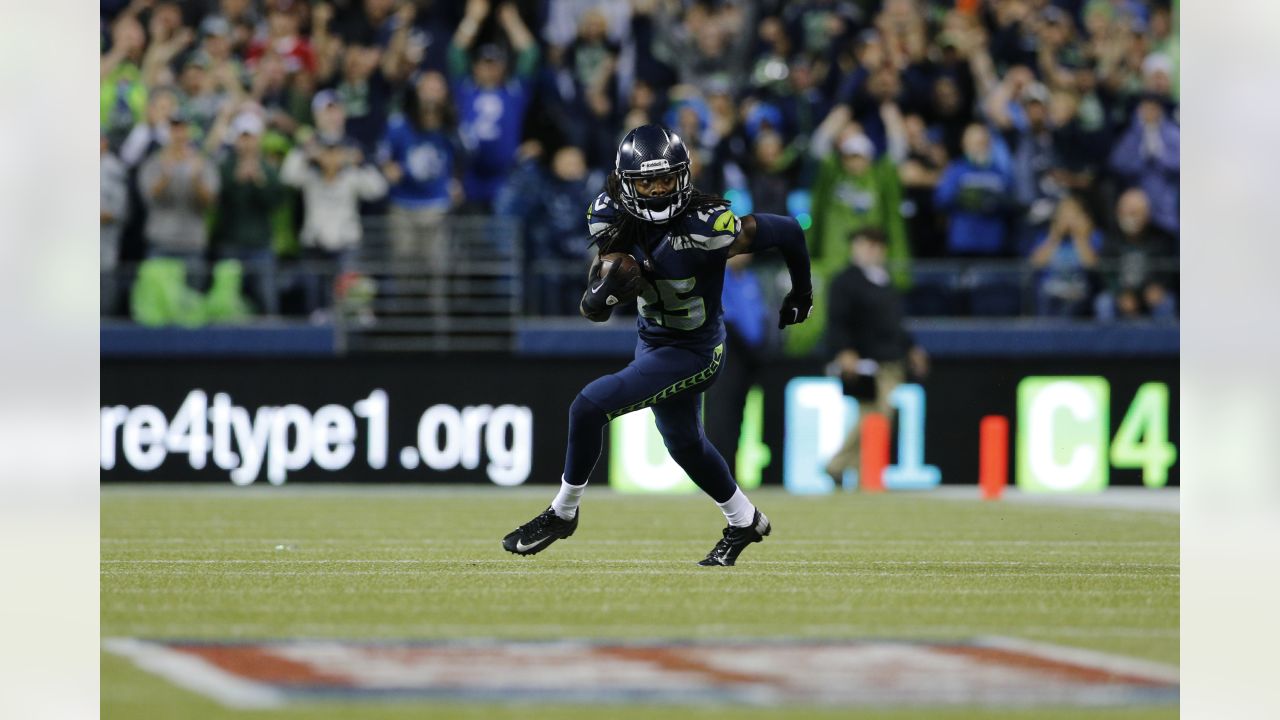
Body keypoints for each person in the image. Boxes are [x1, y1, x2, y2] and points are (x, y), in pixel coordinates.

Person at [501, 124, 814, 567]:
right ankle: (744, 520)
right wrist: (600, 292)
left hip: (696, 350)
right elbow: (598, 304)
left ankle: (562, 512)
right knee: (685, 444)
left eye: (666, 178)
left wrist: (801, 292)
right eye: (646, 181)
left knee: (588, 406)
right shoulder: (608, 213)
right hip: (651, 340)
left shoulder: (709, 225)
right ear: (626, 182)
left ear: (683, 176)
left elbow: (788, 232)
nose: (657, 189)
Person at [824, 227, 928, 481]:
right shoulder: (845, 281)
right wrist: (844, 351)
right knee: (875, 418)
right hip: (865, 362)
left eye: (876, 245)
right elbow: (837, 321)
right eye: (865, 244)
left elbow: (895, 323)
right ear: (854, 248)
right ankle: (839, 466)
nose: (871, 250)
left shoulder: (885, 281)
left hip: (891, 360)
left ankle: (859, 472)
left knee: (875, 418)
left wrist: (911, 348)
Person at [211, 112, 284, 315]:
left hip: (260, 243)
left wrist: (260, 182)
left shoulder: (268, 169)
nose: (247, 142)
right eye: (243, 137)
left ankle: (272, 342)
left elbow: (275, 203)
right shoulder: (225, 166)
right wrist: (237, 182)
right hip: (230, 242)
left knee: (267, 299)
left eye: (250, 137)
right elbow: (218, 201)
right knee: (226, 300)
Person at [1095, 188, 1177, 321]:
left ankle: (1161, 341)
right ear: (1117, 213)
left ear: (1147, 214)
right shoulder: (1110, 239)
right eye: (1126, 213)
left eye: (1135, 213)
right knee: (1104, 303)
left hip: (1150, 292)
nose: (1130, 218)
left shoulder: (1162, 239)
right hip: (1121, 292)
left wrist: (1158, 286)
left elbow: (1167, 269)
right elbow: (1105, 271)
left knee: (1166, 302)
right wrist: (1120, 292)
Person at [1027, 195, 1102, 318]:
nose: (1068, 219)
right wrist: (1055, 236)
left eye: (1073, 214)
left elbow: (1091, 264)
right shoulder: (1046, 237)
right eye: (1064, 214)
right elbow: (1036, 263)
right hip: (1050, 291)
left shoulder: (1092, 238)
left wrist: (1079, 236)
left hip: (1079, 291)